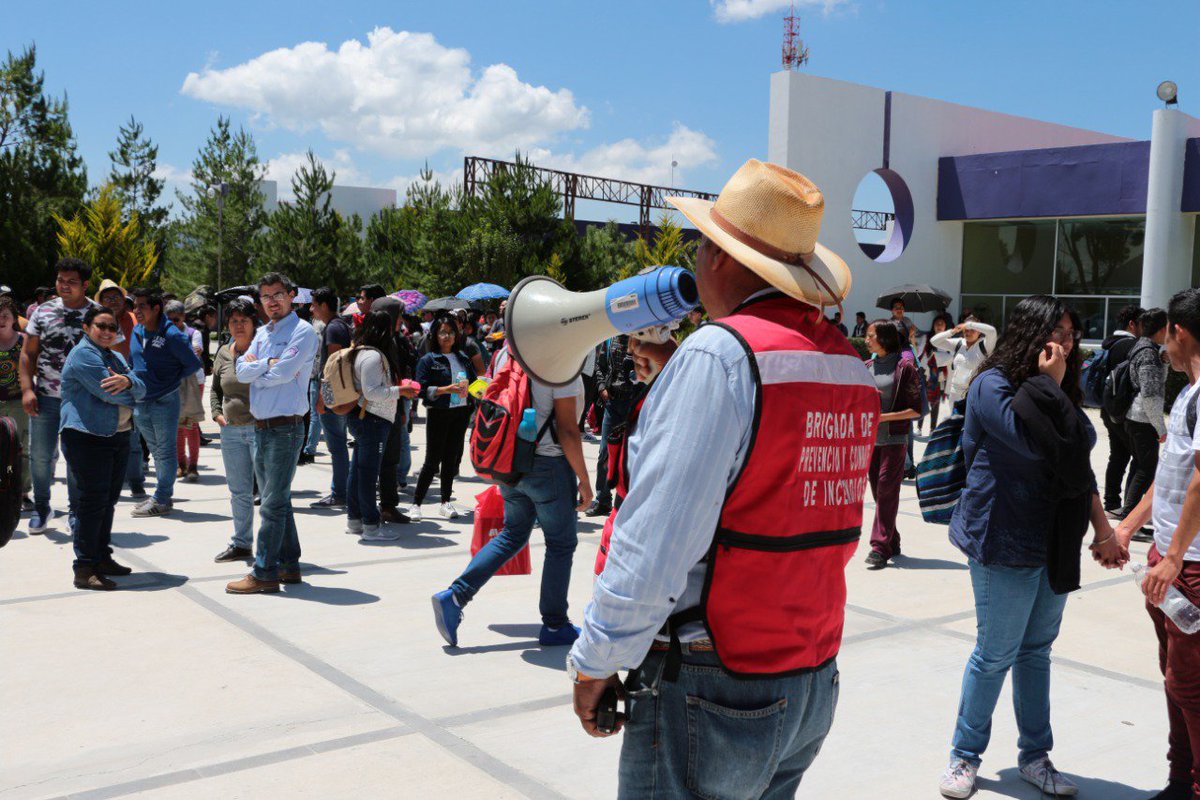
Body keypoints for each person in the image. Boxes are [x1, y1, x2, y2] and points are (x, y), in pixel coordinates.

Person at [568, 160, 879, 797]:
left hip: (713, 677)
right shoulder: (847, 366)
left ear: (722, 257)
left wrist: (598, 658)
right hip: (810, 672)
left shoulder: (720, 354)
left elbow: (657, 540)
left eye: (704, 244)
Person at [939, 295, 1124, 798]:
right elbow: (1027, 440)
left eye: (1070, 333)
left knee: (1036, 651)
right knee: (995, 653)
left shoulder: (1059, 388)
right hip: (1001, 535)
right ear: (1029, 332)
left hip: (1052, 540)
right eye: (1057, 331)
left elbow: (1080, 448)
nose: (1065, 342)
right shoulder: (991, 384)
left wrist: (1102, 529)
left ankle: (1035, 756)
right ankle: (964, 755)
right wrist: (1050, 386)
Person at [432, 342, 593, 647]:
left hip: (509, 462)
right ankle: (556, 625)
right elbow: (568, 430)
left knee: (513, 533)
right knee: (561, 544)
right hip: (548, 465)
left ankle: (455, 596)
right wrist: (584, 480)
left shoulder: (510, 351)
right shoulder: (561, 362)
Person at [1113, 288, 1200, 800]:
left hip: (1187, 566)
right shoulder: (1187, 392)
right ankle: (1179, 780)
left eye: (1164, 334)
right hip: (1168, 562)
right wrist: (1127, 528)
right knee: (1175, 679)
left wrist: (1170, 558)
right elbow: (1169, 475)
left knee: (1188, 684)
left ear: (1179, 332)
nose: (1160, 346)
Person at [226, 271, 319, 595]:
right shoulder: (263, 333)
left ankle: (264, 570)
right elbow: (241, 370)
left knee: (272, 504)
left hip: (286, 427)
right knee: (276, 499)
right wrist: (268, 365)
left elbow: (284, 373)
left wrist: (261, 370)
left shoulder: (303, 331)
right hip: (261, 426)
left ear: (291, 295)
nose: (272, 301)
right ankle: (289, 565)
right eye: (266, 296)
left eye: (277, 294)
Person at [59, 305, 146, 590]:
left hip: (117, 435)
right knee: (92, 502)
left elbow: (141, 386)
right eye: (101, 325)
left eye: (112, 327)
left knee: (107, 500)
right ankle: (84, 567)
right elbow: (108, 393)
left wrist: (129, 381)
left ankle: (101, 556)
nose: (108, 331)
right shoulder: (83, 354)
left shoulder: (116, 356)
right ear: (86, 327)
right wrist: (131, 388)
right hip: (88, 436)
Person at [19, 258, 100, 532]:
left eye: (71, 281)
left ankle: (76, 511)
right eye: (60, 280)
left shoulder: (98, 315)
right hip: (46, 397)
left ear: (85, 284)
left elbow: (115, 355)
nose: (64, 286)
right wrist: (28, 389)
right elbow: (28, 353)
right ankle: (42, 507)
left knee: (77, 457)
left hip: (83, 400)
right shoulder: (42, 312)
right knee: (40, 456)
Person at [129, 288, 202, 517]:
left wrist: (167, 381)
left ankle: (161, 498)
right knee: (156, 450)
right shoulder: (137, 331)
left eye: (142, 306)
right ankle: (162, 495)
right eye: (135, 306)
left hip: (164, 401)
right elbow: (133, 360)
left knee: (166, 451)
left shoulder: (172, 335)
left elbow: (192, 364)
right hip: (141, 401)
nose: (137, 310)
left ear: (156, 308)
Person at [345, 311, 418, 540]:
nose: (398, 327)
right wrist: (401, 390)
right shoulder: (373, 357)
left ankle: (355, 520)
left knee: (358, 472)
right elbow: (372, 392)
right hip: (372, 421)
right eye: (394, 324)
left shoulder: (362, 352)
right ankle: (371, 526)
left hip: (365, 419)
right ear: (384, 329)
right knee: (367, 475)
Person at [864, 319, 922, 569]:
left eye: (870, 336)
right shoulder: (865, 366)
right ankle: (892, 540)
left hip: (895, 439)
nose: (866, 340)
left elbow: (915, 410)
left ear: (885, 338)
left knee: (888, 490)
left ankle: (879, 547)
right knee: (879, 493)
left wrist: (884, 417)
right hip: (870, 441)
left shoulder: (905, 368)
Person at [408, 315, 477, 522]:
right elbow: (419, 389)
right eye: (443, 332)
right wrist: (445, 389)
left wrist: (480, 390)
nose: (447, 336)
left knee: (451, 458)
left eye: (451, 332)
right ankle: (416, 503)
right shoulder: (428, 360)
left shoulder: (463, 358)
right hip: (439, 412)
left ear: (457, 335)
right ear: (435, 335)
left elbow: (472, 383)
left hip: (461, 412)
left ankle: (445, 502)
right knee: (432, 460)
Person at [210, 298, 259, 563]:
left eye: (244, 320)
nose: (239, 325)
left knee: (271, 493)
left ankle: (276, 547)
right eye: (234, 321)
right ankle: (241, 544)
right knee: (239, 491)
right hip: (230, 432)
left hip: (260, 430)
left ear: (253, 323)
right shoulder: (224, 352)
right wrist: (217, 413)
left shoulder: (262, 350)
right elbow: (216, 388)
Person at [367, 296, 419, 523]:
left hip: (393, 408)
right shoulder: (375, 346)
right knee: (371, 463)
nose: (401, 320)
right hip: (375, 412)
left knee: (390, 460)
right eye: (398, 315)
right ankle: (367, 510)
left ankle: (388, 505)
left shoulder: (394, 341)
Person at [1122, 308, 1170, 526]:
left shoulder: (1143, 348)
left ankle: (1129, 512)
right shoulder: (1148, 353)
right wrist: (1161, 428)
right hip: (1143, 419)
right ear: (1161, 329)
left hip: (1134, 416)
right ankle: (1132, 516)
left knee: (1139, 465)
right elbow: (1151, 394)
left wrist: (1165, 363)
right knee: (1147, 469)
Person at [308, 288, 352, 508]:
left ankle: (340, 493)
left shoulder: (333, 329)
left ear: (324, 305)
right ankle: (344, 489)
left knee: (336, 446)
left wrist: (322, 398)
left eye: (314, 304)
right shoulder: (342, 325)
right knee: (340, 444)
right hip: (343, 393)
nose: (311, 308)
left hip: (333, 393)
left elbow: (332, 366)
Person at [1100, 304, 1144, 514]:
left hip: (1107, 407)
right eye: (1142, 324)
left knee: (1118, 455)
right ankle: (1130, 506)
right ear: (1132, 324)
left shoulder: (1110, 343)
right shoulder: (1131, 346)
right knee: (1139, 457)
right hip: (1123, 411)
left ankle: (1112, 503)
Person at [588, 335, 635, 517]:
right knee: (604, 454)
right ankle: (603, 500)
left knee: (630, 455)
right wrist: (601, 388)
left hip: (633, 404)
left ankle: (625, 502)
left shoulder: (640, 337)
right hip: (612, 403)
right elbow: (599, 366)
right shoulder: (609, 340)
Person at [166, 300, 204, 483]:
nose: (173, 323)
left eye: (176, 319)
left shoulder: (194, 333)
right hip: (172, 383)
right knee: (177, 427)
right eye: (169, 319)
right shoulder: (163, 333)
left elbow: (194, 354)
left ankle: (194, 466)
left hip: (194, 382)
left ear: (183, 317)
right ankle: (180, 464)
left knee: (191, 425)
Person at [0, 296, 31, 510]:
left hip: (19, 402)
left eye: (5, 315)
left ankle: (23, 491)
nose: (1, 319)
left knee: (22, 448)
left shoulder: (24, 340)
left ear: (14, 319)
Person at [930, 314, 999, 406]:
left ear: (979, 331)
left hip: (975, 392)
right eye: (966, 330)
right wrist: (952, 331)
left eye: (972, 330)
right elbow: (934, 341)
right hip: (955, 393)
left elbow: (992, 331)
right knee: (955, 419)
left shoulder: (985, 345)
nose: (968, 333)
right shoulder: (959, 343)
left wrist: (969, 325)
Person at [299, 298, 326, 466]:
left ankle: (309, 449)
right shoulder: (317, 325)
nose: (310, 308)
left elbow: (317, 353)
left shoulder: (318, 327)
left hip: (316, 375)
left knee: (315, 413)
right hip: (315, 374)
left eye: (313, 305)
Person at [922, 312, 954, 431]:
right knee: (924, 400)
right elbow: (924, 358)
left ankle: (932, 428)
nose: (939, 326)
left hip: (941, 376)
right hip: (928, 375)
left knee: (935, 402)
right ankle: (920, 426)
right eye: (937, 324)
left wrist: (936, 358)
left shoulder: (950, 341)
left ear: (946, 327)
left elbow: (951, 359)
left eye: (942, 324)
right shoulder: (927, 339)